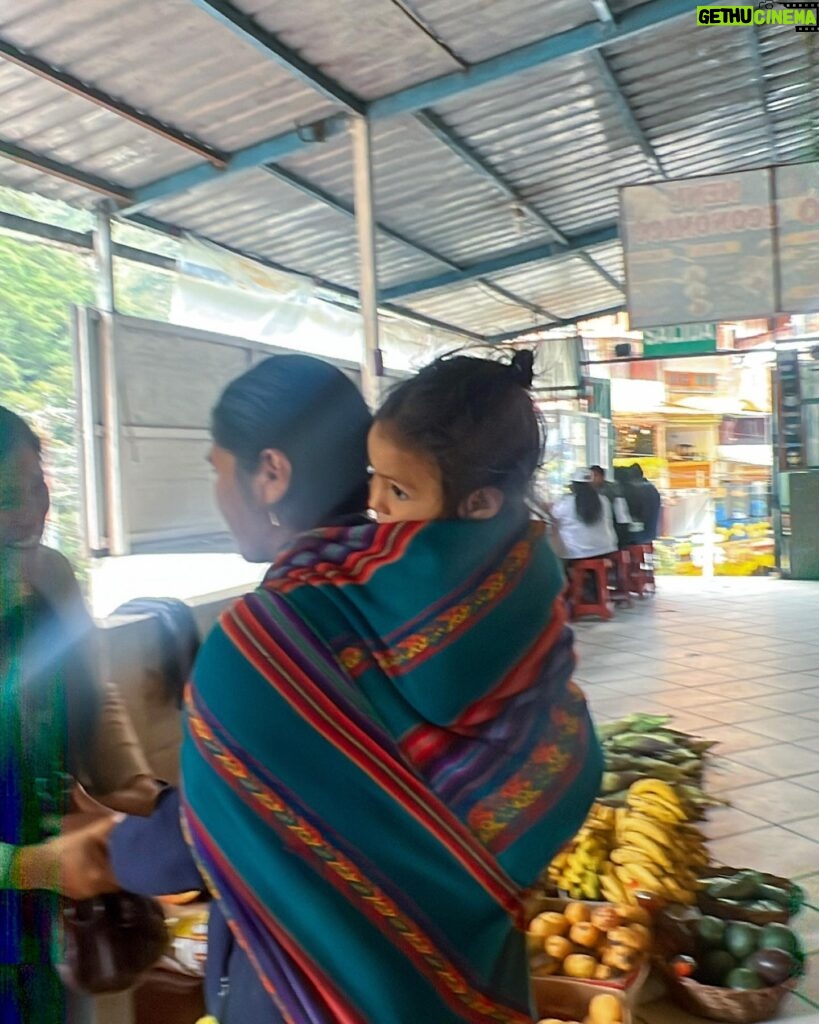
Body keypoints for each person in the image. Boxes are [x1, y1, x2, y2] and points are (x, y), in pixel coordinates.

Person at [66, 352, 601, 1023]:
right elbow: (565, 770)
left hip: (312, 998)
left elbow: (209, 832)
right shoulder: (512, 609)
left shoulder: (270, 643)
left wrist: (108, 854)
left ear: (270, 473)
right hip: (467, 984)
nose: (218, 493)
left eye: (218, 469)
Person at [0, 406, 159, 1023]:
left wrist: (137, 789)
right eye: (8, 500)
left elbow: (95, 692)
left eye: (37, 489)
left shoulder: (52, 578)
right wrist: (31, 865)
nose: (33, 515)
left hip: (59, 912)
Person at [549, 468, 618, 561]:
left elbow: (552, 519)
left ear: (573, 485)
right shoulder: (604, 500)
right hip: (607, 550)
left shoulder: (565, 503)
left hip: (576, 555)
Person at [590, 465, 633, 549]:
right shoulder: (591, 491)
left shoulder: (613, 490)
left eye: (595, 475)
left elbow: (622, 517)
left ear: (602, 476)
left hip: (613, 531)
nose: (592, 479)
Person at [628, 462, 662, 543]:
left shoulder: (639, 490)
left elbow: (640, 514)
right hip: (651, 534)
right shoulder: (652, 488)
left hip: (639, 535)